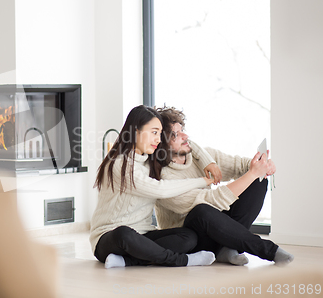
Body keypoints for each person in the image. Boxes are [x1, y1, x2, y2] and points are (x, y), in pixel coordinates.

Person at [152, 105, 294, 266]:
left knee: (257, 181)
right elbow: (210, 201)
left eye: (182, 129)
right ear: (160, 142)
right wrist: (253, 172)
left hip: (218, 228)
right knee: (201, 210)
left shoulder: (204, 156)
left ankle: (228, 247)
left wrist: (263, 166)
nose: (185, 136)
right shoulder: (162, 178)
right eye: (175, 135)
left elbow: (240, 165)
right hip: (193, 239)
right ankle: (267, 250)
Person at [90, 105, 226, 268]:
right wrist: (203, 181)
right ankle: (183, 260)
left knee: (188, 237)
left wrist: (208, 161)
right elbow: (160, 189)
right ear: (135, 132)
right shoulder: (120, 164)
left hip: (144, 234)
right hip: (109, 237)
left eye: (160, 134)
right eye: (154, 132)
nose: (158, 139)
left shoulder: (149, 160)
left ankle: (129, 261)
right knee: (124, 233)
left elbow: (184, 142)